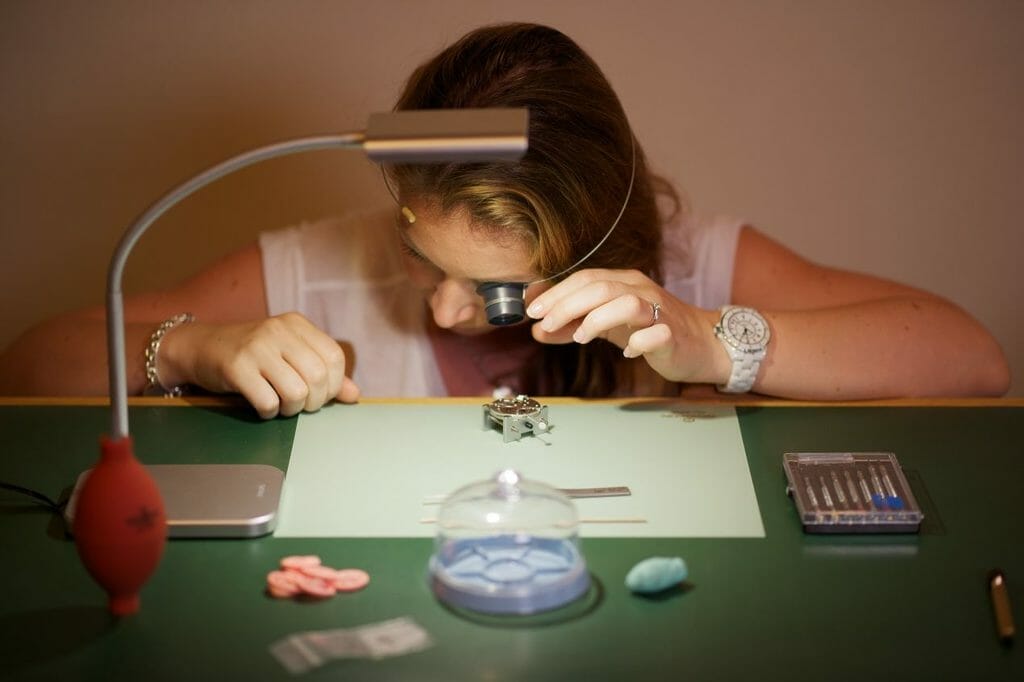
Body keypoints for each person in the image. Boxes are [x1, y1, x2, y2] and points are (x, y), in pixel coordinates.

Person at [0, 23, 1010, 418]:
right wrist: (199, 349)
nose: (441, 312)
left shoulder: (696, 264)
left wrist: (713, 340)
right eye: (413, 249)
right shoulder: (315, 265)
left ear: (599, 252)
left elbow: (972, 359)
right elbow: (31, 363)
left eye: (497, 287)